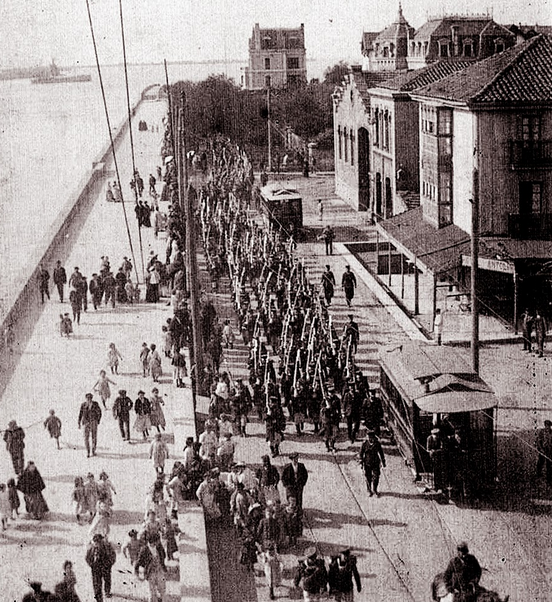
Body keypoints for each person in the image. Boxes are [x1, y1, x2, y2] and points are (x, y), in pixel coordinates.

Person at [135, 532, 168, 602]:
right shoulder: (144, 550)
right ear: (154, 542)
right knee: (152, 593)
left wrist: (163, 568)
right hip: (150, 573)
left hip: (159, 571)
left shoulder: (159, 547)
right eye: (158, 540)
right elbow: (138, 564)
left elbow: (163, 556)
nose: (159, 542)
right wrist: (138, 575)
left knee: (162, 590)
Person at [85, 533, 116, 601]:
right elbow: (87, 558)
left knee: (107, 580)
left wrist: (110, 564)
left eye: (99, 541)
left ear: (102, 541)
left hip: (106, 567)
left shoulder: (107, 547)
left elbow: (113, 555)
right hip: (96, 568)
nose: (97, 543)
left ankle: (107, 592)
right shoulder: (91, 549)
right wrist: (91, 565)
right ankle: (98, 597)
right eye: (95, 542)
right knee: (96, 583)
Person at [359, 430, 386, 496]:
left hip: (375, 463)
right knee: (368, 477)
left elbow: (381, 453)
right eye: (368, 437)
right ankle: (369, 490)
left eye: (371, 437)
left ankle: (375, 489)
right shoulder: (364, 444)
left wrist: (383, 461)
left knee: (376, 477)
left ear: (373, 437)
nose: (369, 439)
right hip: (367, 463)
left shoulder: (377, 444)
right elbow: (361, 453)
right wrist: (361, 462)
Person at [78, 393, 102, 457]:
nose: (89, 400)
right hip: (86, 423)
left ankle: (93, 451)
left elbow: (99, 412)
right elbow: (80, 414)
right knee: (86, 438)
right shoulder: (83, 405)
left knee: (94, 437)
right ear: (86, 399)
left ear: (92, 398)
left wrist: (98, 420)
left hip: (93, 422)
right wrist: (79, 422)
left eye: (90, 398)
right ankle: (88, 451)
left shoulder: (95, 404)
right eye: (87, 398)